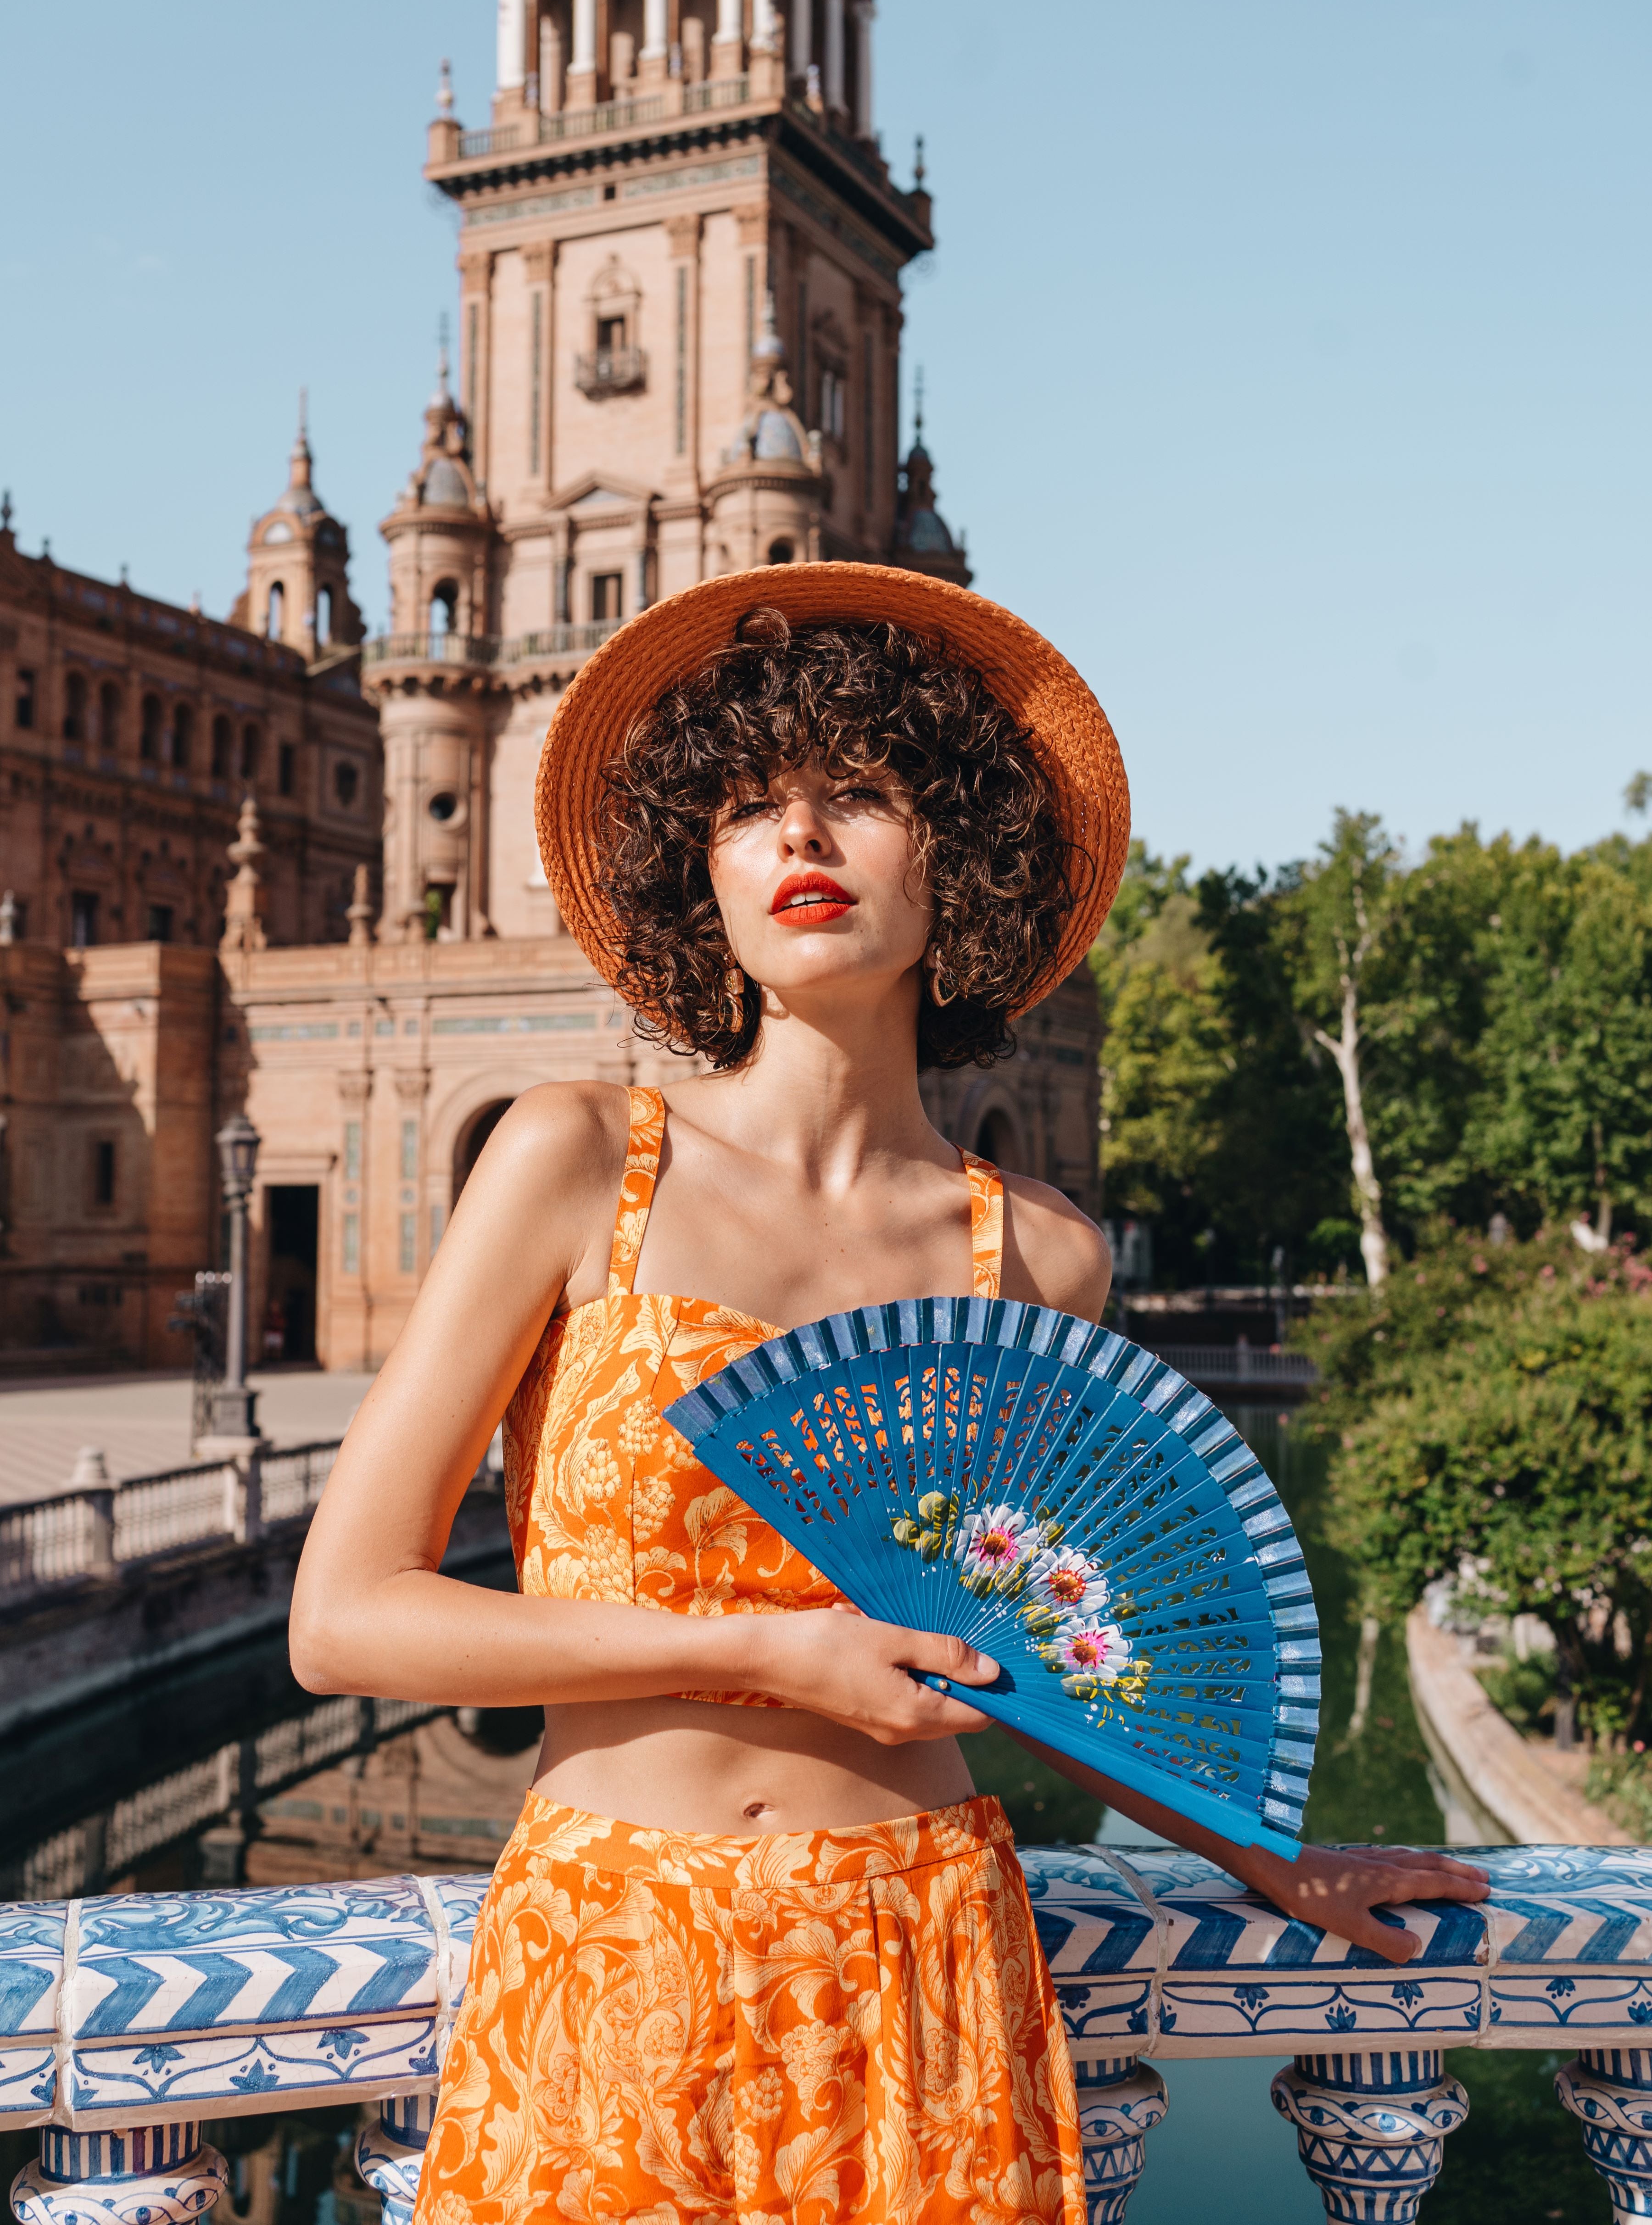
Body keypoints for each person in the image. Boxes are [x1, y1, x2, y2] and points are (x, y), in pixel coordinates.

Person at [292, 563, 1487, 2225]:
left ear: (963, 861)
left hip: (924, 1969)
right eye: (747, 806)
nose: (798, 838)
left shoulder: (1039, 1257)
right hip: (614, 1954)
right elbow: (347, 1620)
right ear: (692, 869)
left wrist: (1266, 1853)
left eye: (857, 793)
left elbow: (1076, 1660)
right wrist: (766, 1652)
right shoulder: (577, 1164)